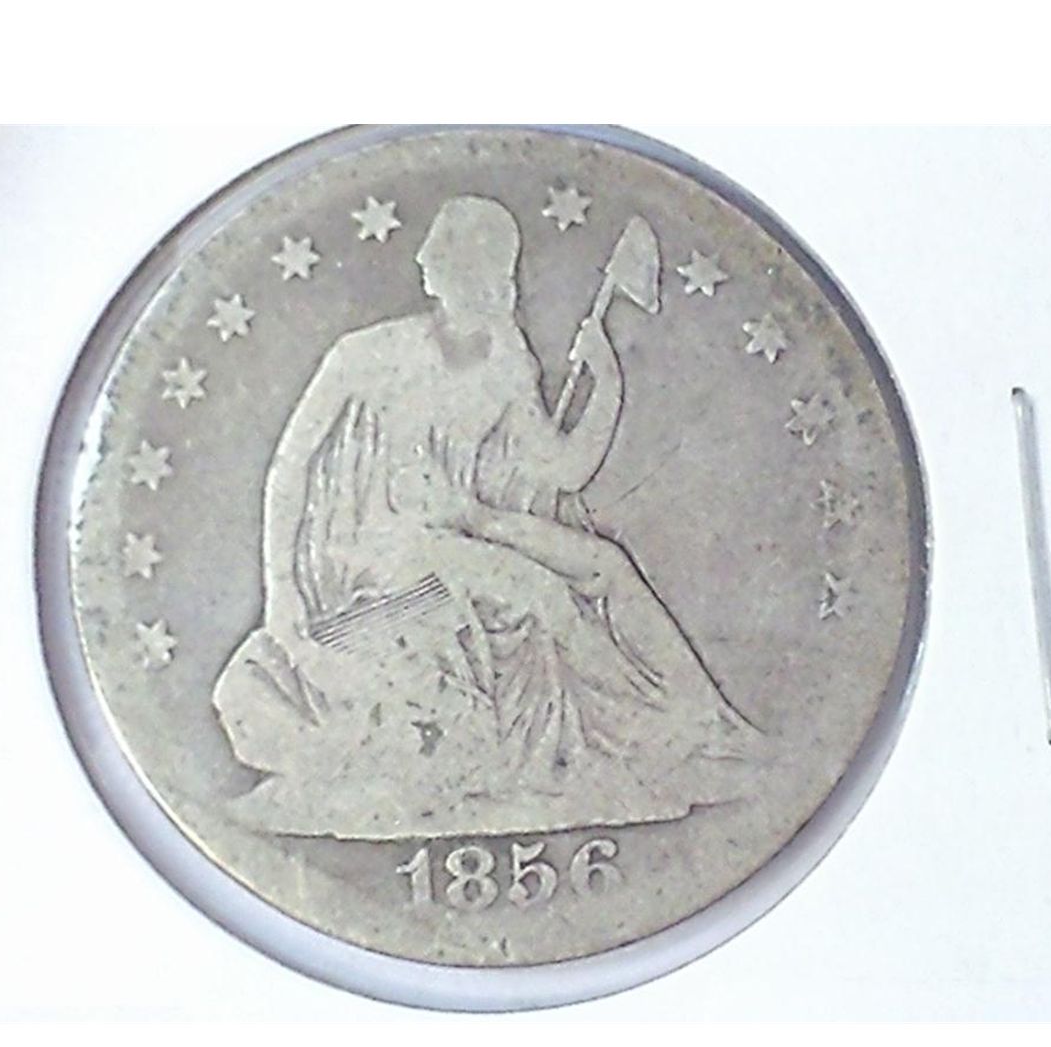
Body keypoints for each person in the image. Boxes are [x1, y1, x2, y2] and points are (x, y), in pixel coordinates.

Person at [213, 196, 760, 838]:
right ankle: (632, 741)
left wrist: (606, 382)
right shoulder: (365, 355)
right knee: (541, 592)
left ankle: (694, 725)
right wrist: (282, 593)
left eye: (495, 265)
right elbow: (290, 469)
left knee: (605, 563)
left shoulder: (506, 357)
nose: (431, 262)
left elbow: (562, 471)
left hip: (461, 528)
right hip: (380, 551)